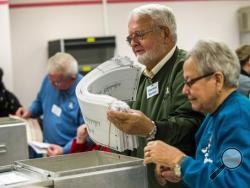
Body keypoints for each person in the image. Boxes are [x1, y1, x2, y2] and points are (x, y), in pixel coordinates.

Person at [107, 4, 204, 188]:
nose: (133, 43)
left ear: (165, 34)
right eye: (130, 38)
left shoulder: (186, 68)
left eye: (139, 35)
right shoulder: (141, 77)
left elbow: (192, 127)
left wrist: (152, 128)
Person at [144, 40, 250, 188]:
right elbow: (218, 172)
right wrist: (183, 171)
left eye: (190, 82)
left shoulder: (238, 117)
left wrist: (179, 160)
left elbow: (235, 183)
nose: (184, 90)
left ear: (217, 80)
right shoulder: (213, 116)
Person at [15, 52, 84, 157]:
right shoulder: (50, 80)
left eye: (57, 82)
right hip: (46, 147)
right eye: (50, 80)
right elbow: (39, 100)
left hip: (69, 152)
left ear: (72, 78)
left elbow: (86, 134)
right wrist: (30, 111)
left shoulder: (84, 94)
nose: (52, 85)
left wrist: (64, 150)